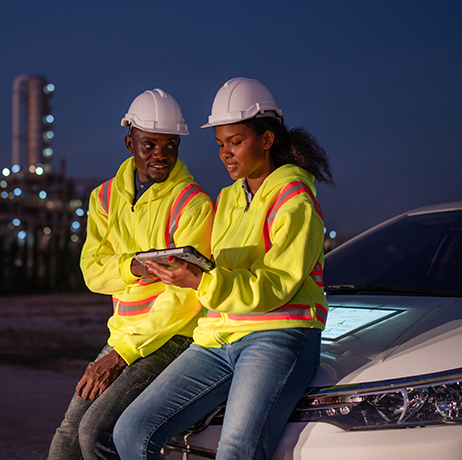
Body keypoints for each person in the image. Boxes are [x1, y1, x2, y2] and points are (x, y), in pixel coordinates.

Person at [114, 77, 334, 460]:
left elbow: (276, 285)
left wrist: (203, 279)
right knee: (131, 431)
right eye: (219, 145)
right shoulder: (229, 197)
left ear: (266, 140)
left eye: (235, 141)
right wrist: (191, 270)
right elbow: (223, 268)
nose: (225, 154)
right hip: (218, 337)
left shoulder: (295, 197)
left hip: (277, 335)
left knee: (236, 452)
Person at [47, 88, 215, 460]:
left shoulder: (193, 204)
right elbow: (92, 272)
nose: (161, 155)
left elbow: (184, 299)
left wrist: (120, 355)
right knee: (67, 438)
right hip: (125, 335)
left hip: (172, 338)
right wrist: (134, 266)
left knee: (96, 432)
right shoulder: (104, 198)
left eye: (170, 145)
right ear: (129, 143)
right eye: (150, 144)